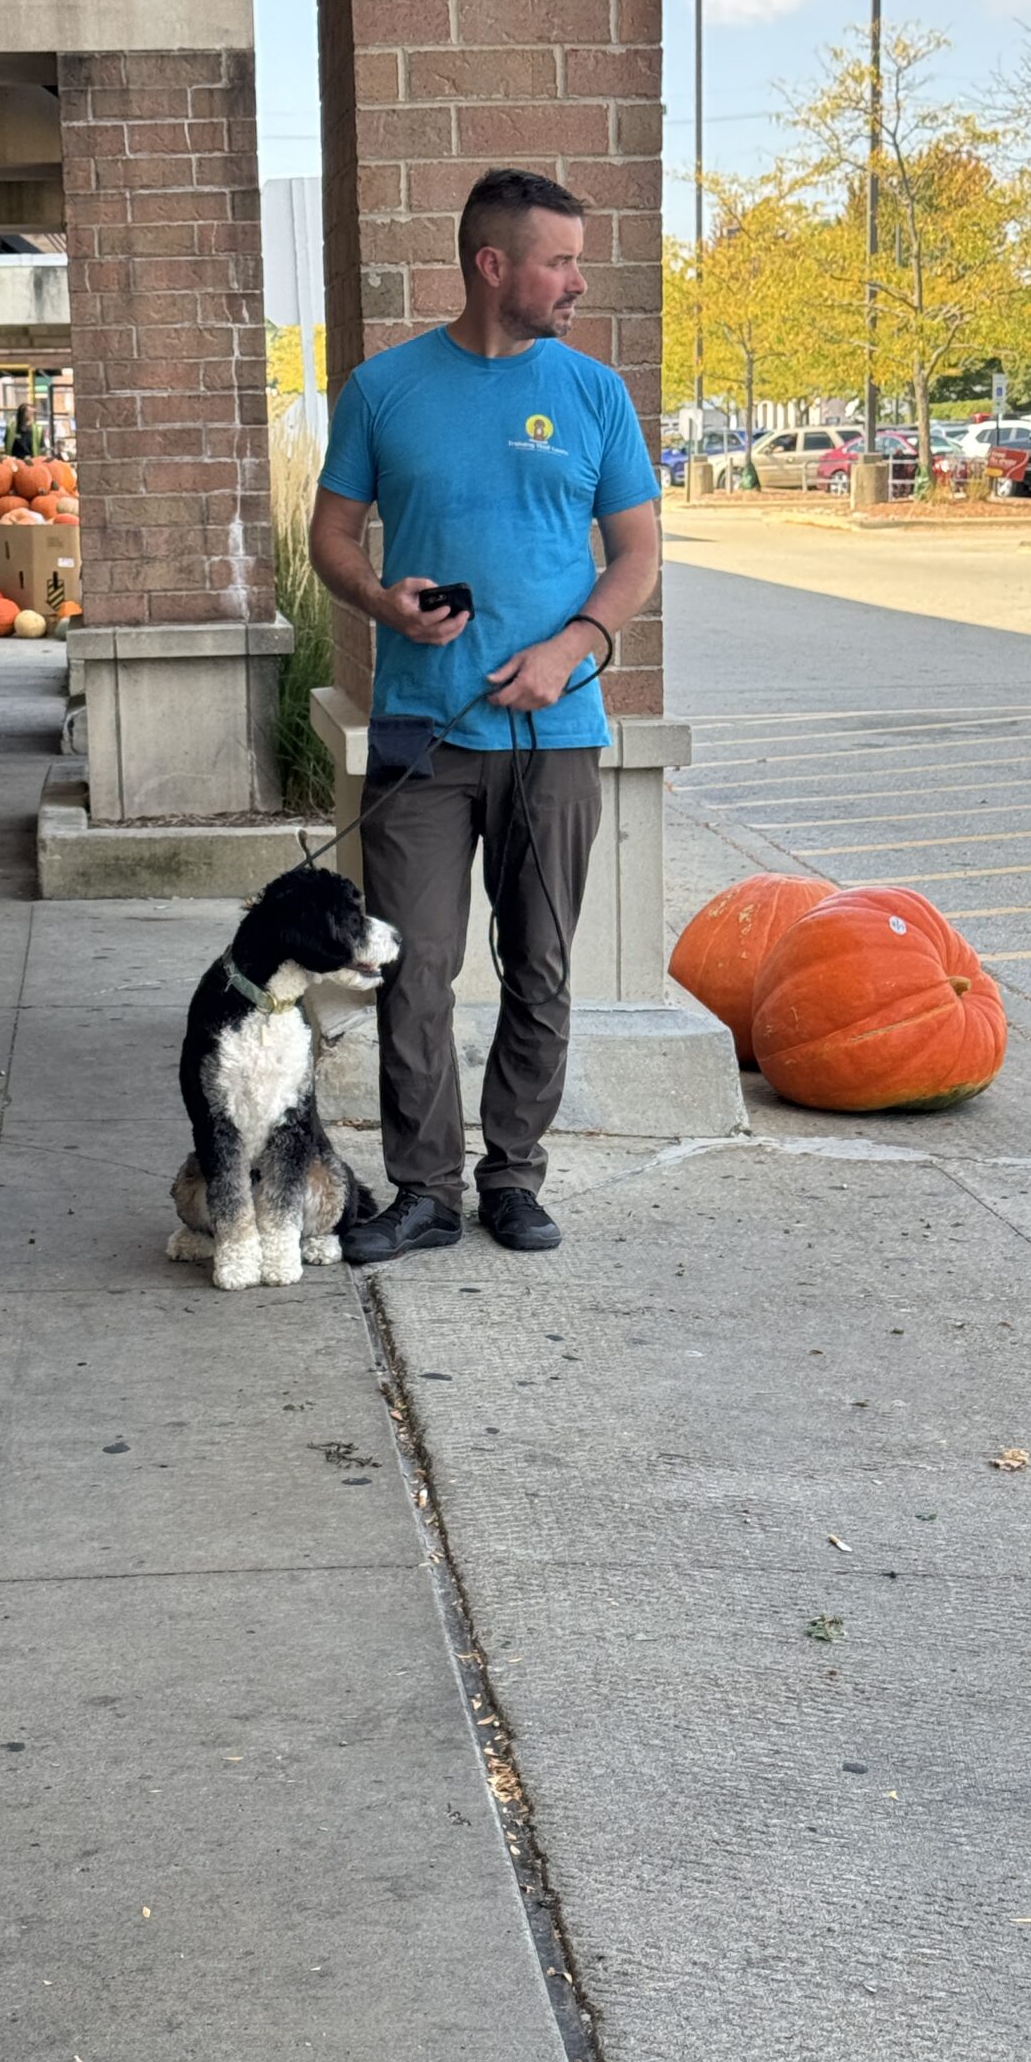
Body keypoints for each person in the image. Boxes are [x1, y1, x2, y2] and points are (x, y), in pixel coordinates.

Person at [309, 168, 662, 1263]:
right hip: (421, 732)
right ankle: (426, 1190)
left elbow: (638, 553)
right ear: (492, 265)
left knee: (541, 966)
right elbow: (333, 538)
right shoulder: (384, 389)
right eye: (559, 261)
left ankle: (514, 1175)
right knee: (412, 969)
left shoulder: (595, 393)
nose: (577, 281)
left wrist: (571, 648)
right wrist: (381, 600)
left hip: (555, 737)